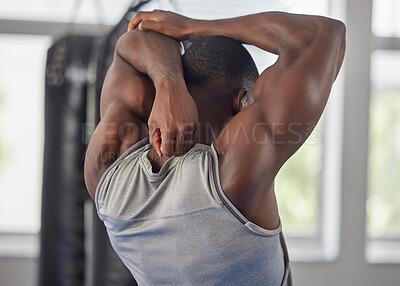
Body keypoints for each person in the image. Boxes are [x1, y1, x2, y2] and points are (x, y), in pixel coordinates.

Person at [84, 10, 346, 286]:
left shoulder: (109, 172)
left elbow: (131, 43)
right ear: (242, 100)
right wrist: (190, 27)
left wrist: (168, 82)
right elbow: (322, 33)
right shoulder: (236, 176)